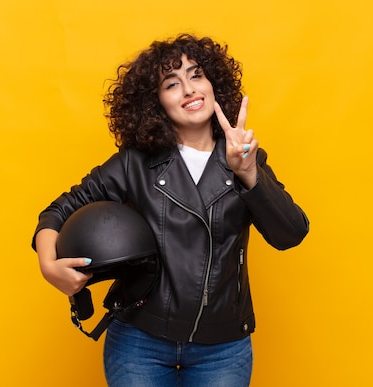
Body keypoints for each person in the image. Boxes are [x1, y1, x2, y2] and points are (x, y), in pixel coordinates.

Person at [32, 33, 309, 387]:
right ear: (156, 102)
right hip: (139, 341)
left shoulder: (246, 158)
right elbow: (58, 210)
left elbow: (291, 234)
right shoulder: (134, 163)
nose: (189, 90)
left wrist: (248, 173)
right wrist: (48, 266)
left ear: (213, 84)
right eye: (172, 84)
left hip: (223, 347)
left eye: (196, 75)